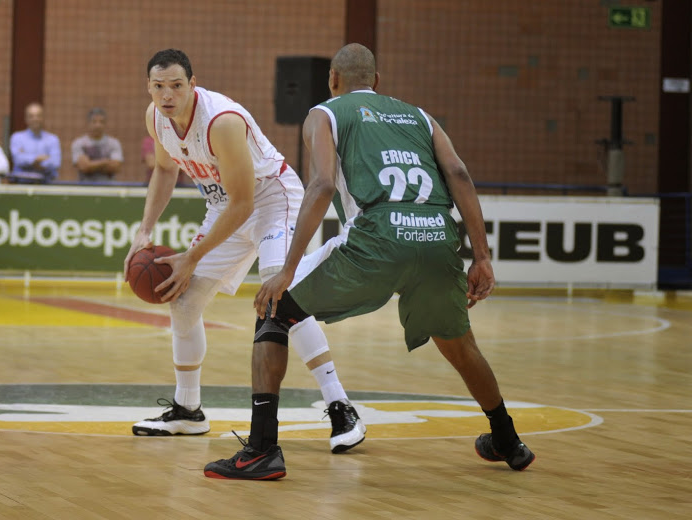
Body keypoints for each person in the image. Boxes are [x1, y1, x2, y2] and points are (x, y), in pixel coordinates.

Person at [204, 44, 535, 480]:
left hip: (377, 238)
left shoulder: (324, 113)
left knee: (273, 311)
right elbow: (458, 175)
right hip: (438, 237)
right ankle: (508, 439)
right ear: (377, 82)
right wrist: (482, 257)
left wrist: (286, 270)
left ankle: (263, 450)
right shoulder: (419, 116)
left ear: (332, 80)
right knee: (458, 342)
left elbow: (321, 184)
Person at [124, 49, 365, 454]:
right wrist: (145, 230)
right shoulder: (155, 118)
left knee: (281, 296)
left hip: (274, 199)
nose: (167, 95)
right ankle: (188, 409)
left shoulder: (222, 120)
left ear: (192, 84)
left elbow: (245, 204)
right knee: (182, 302)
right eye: (159, 86)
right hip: (227, 205)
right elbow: (165, 170)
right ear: (149, 87)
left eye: (177, 86)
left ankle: (340, 404)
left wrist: (192, 257)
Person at [10, 102, 61, 183]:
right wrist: (37, 159)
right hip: (22, 184)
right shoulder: (17, 138)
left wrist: (29, 161)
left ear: (43, 118)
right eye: (31, 116)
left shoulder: (53, 139)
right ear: (26, 119)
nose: (35, 119)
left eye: (38, 116)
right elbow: (18, 160)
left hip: (46, 184)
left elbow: (55, 163)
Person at [71, 108, 124, 182]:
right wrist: (106, 162)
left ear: (105, 124)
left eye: (101, 122)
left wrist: (91, 164)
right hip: (84, 188)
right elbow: (84, 167)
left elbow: (116, 167)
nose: (98, 125)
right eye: (94, 122)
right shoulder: (79, 143)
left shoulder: (114, 143)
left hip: (110, 189)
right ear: (88, 123)